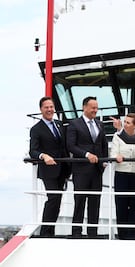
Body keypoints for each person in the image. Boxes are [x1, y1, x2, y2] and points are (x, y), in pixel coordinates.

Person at [29, 96, 71, 237]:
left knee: (57, 200)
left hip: (62, 169)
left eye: (51, 107)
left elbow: (64, 146)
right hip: (48, 170)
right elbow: (33, 150)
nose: (49, 110)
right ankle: (45, 232)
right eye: (46, 107)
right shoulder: (36, 129)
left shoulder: (60, 125)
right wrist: (43, 156)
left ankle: (50, 231)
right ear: (41, 109)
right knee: (53, 198)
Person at [67, 96, 108, 238]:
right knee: (79, 201)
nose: (95, 110)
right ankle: (76, 232)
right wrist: (86, 154)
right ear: (84, 107)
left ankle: (92, 233)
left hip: (97, 170)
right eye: (93, 108)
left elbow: (103, 144)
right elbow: (71, 146)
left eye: (96, 108)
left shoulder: (100, 124)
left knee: (95, 202)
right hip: (81, 170)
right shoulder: (74, 124)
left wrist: (103, 162)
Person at [110, 113, 135, 240]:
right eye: (125, 121)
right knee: (122, 204)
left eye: (128, 122)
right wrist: (116, 157)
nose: (125, 124)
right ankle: (123, 235)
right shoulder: (117, 137)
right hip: (121, 175)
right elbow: (114, 152)